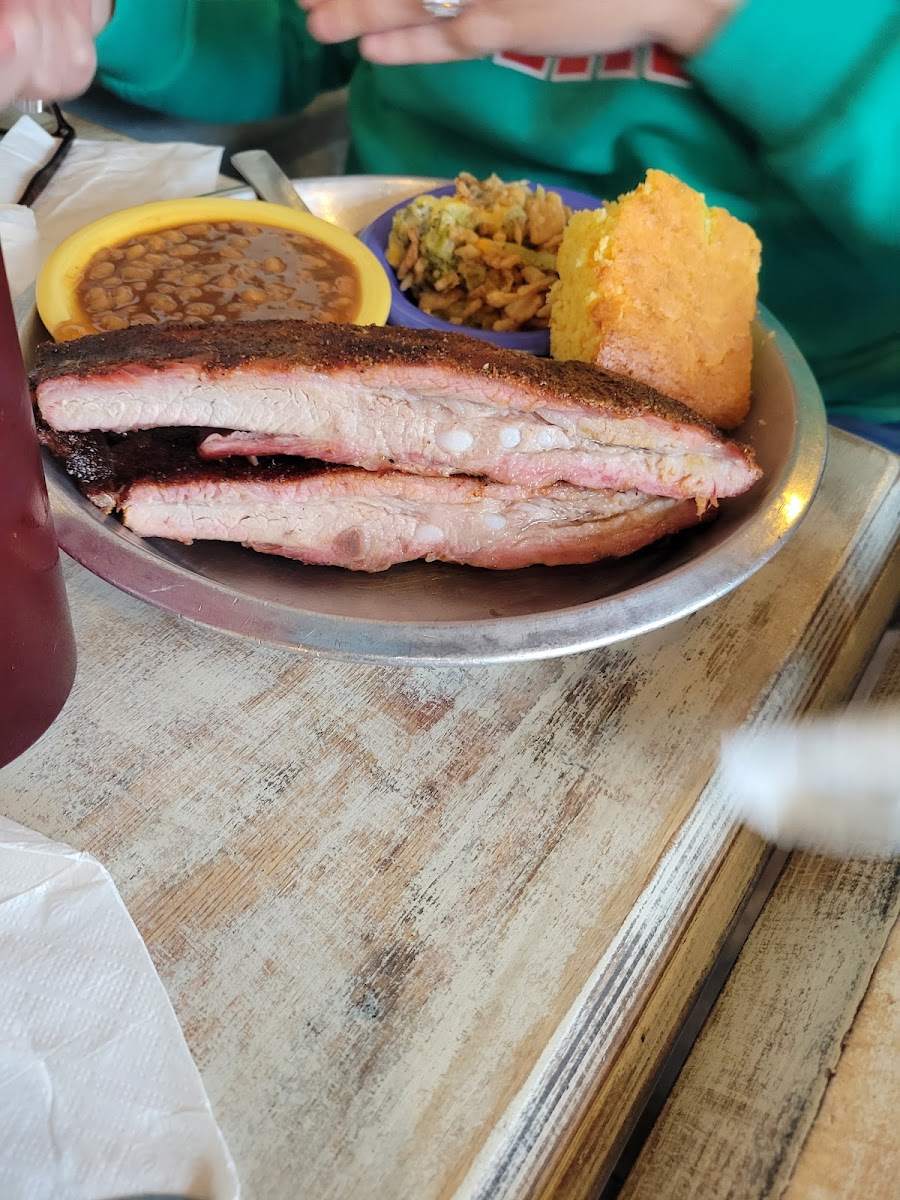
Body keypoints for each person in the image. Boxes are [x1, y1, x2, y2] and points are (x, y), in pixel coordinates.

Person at [1, 0, 898, 447]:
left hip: (824, 404)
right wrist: (105, 12)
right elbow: (281, 32)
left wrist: (712, 14)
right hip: (377, 298)